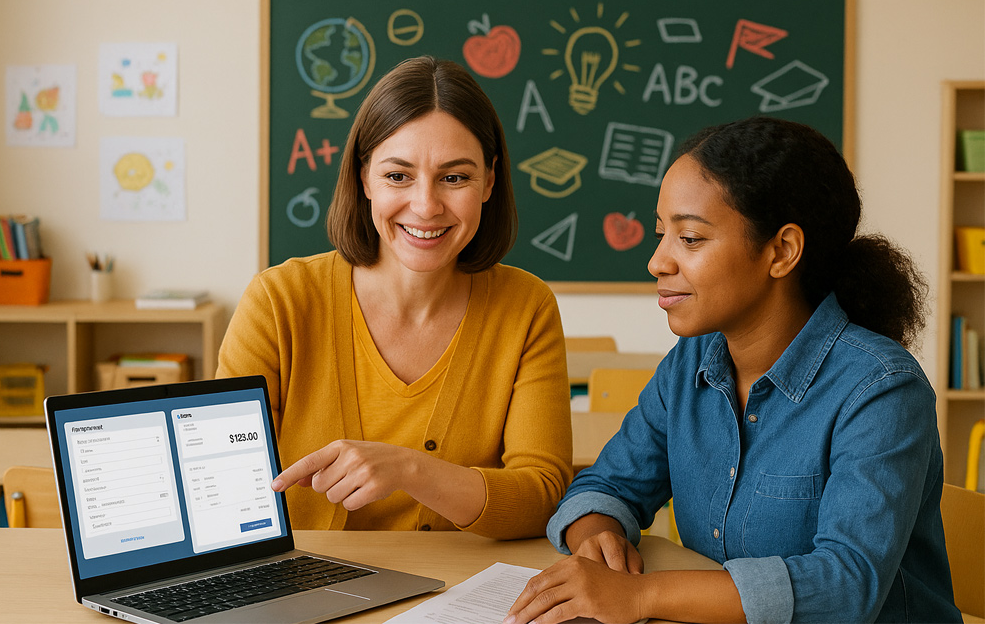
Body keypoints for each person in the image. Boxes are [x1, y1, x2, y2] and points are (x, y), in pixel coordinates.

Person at [506, 117, 961, 623]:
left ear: (781, 251)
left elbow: (844, 586)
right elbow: (607, 486)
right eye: (662, 235)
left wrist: (640, 596)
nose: (658, 261)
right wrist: (598, 541)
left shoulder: (881, 390)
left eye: (691, 238)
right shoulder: (691, 364)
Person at [217, 56, 573, 540]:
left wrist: (411, 470)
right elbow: (223, 484)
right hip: (304, 593)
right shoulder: (278, 301)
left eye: (455, 177)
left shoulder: (526, 307)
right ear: (364, 178)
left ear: (490, 181)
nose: (425, 205)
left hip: (456, 599)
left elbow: (543, 497)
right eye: (397, 176)